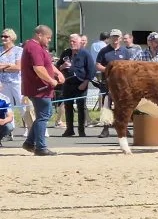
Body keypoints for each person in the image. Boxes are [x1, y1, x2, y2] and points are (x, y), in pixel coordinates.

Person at [20, 25, 66, 156]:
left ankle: (29, 142)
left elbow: (47, 64)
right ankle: (40, 147)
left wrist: (58, 73)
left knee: (45, 114)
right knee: (43, 116)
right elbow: (38, 68)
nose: (49, 40)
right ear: (39, 35)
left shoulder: (39, 48)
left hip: (42, 88)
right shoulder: (33, 47)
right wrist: (51, 81)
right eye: (48, 37)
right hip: (39, 88)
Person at [58, 34, 96, 137]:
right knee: (68, 106)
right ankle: (70, 129)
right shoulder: (66, 53)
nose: (71, 43)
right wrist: (62, 66)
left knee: (81, 107)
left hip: (81, 83)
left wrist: (85, 82)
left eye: (74, 41)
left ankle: (81, 130)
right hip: (68, 83)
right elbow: (57, 67)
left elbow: (92, 70)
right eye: (70, 41)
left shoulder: (85, 53)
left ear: (80, 42)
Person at [0, 28, 24, 140]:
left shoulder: (18, 50)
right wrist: (8, 65)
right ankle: (9, 131)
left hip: (16, 82)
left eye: (6, 36)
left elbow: (18, 67)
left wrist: (3, 67)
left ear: (12, 38)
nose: (3, 38)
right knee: (7, 108)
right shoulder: (0, 50)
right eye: (2, 36)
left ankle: (30, 128)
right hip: (3, 83)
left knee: (22, 105)